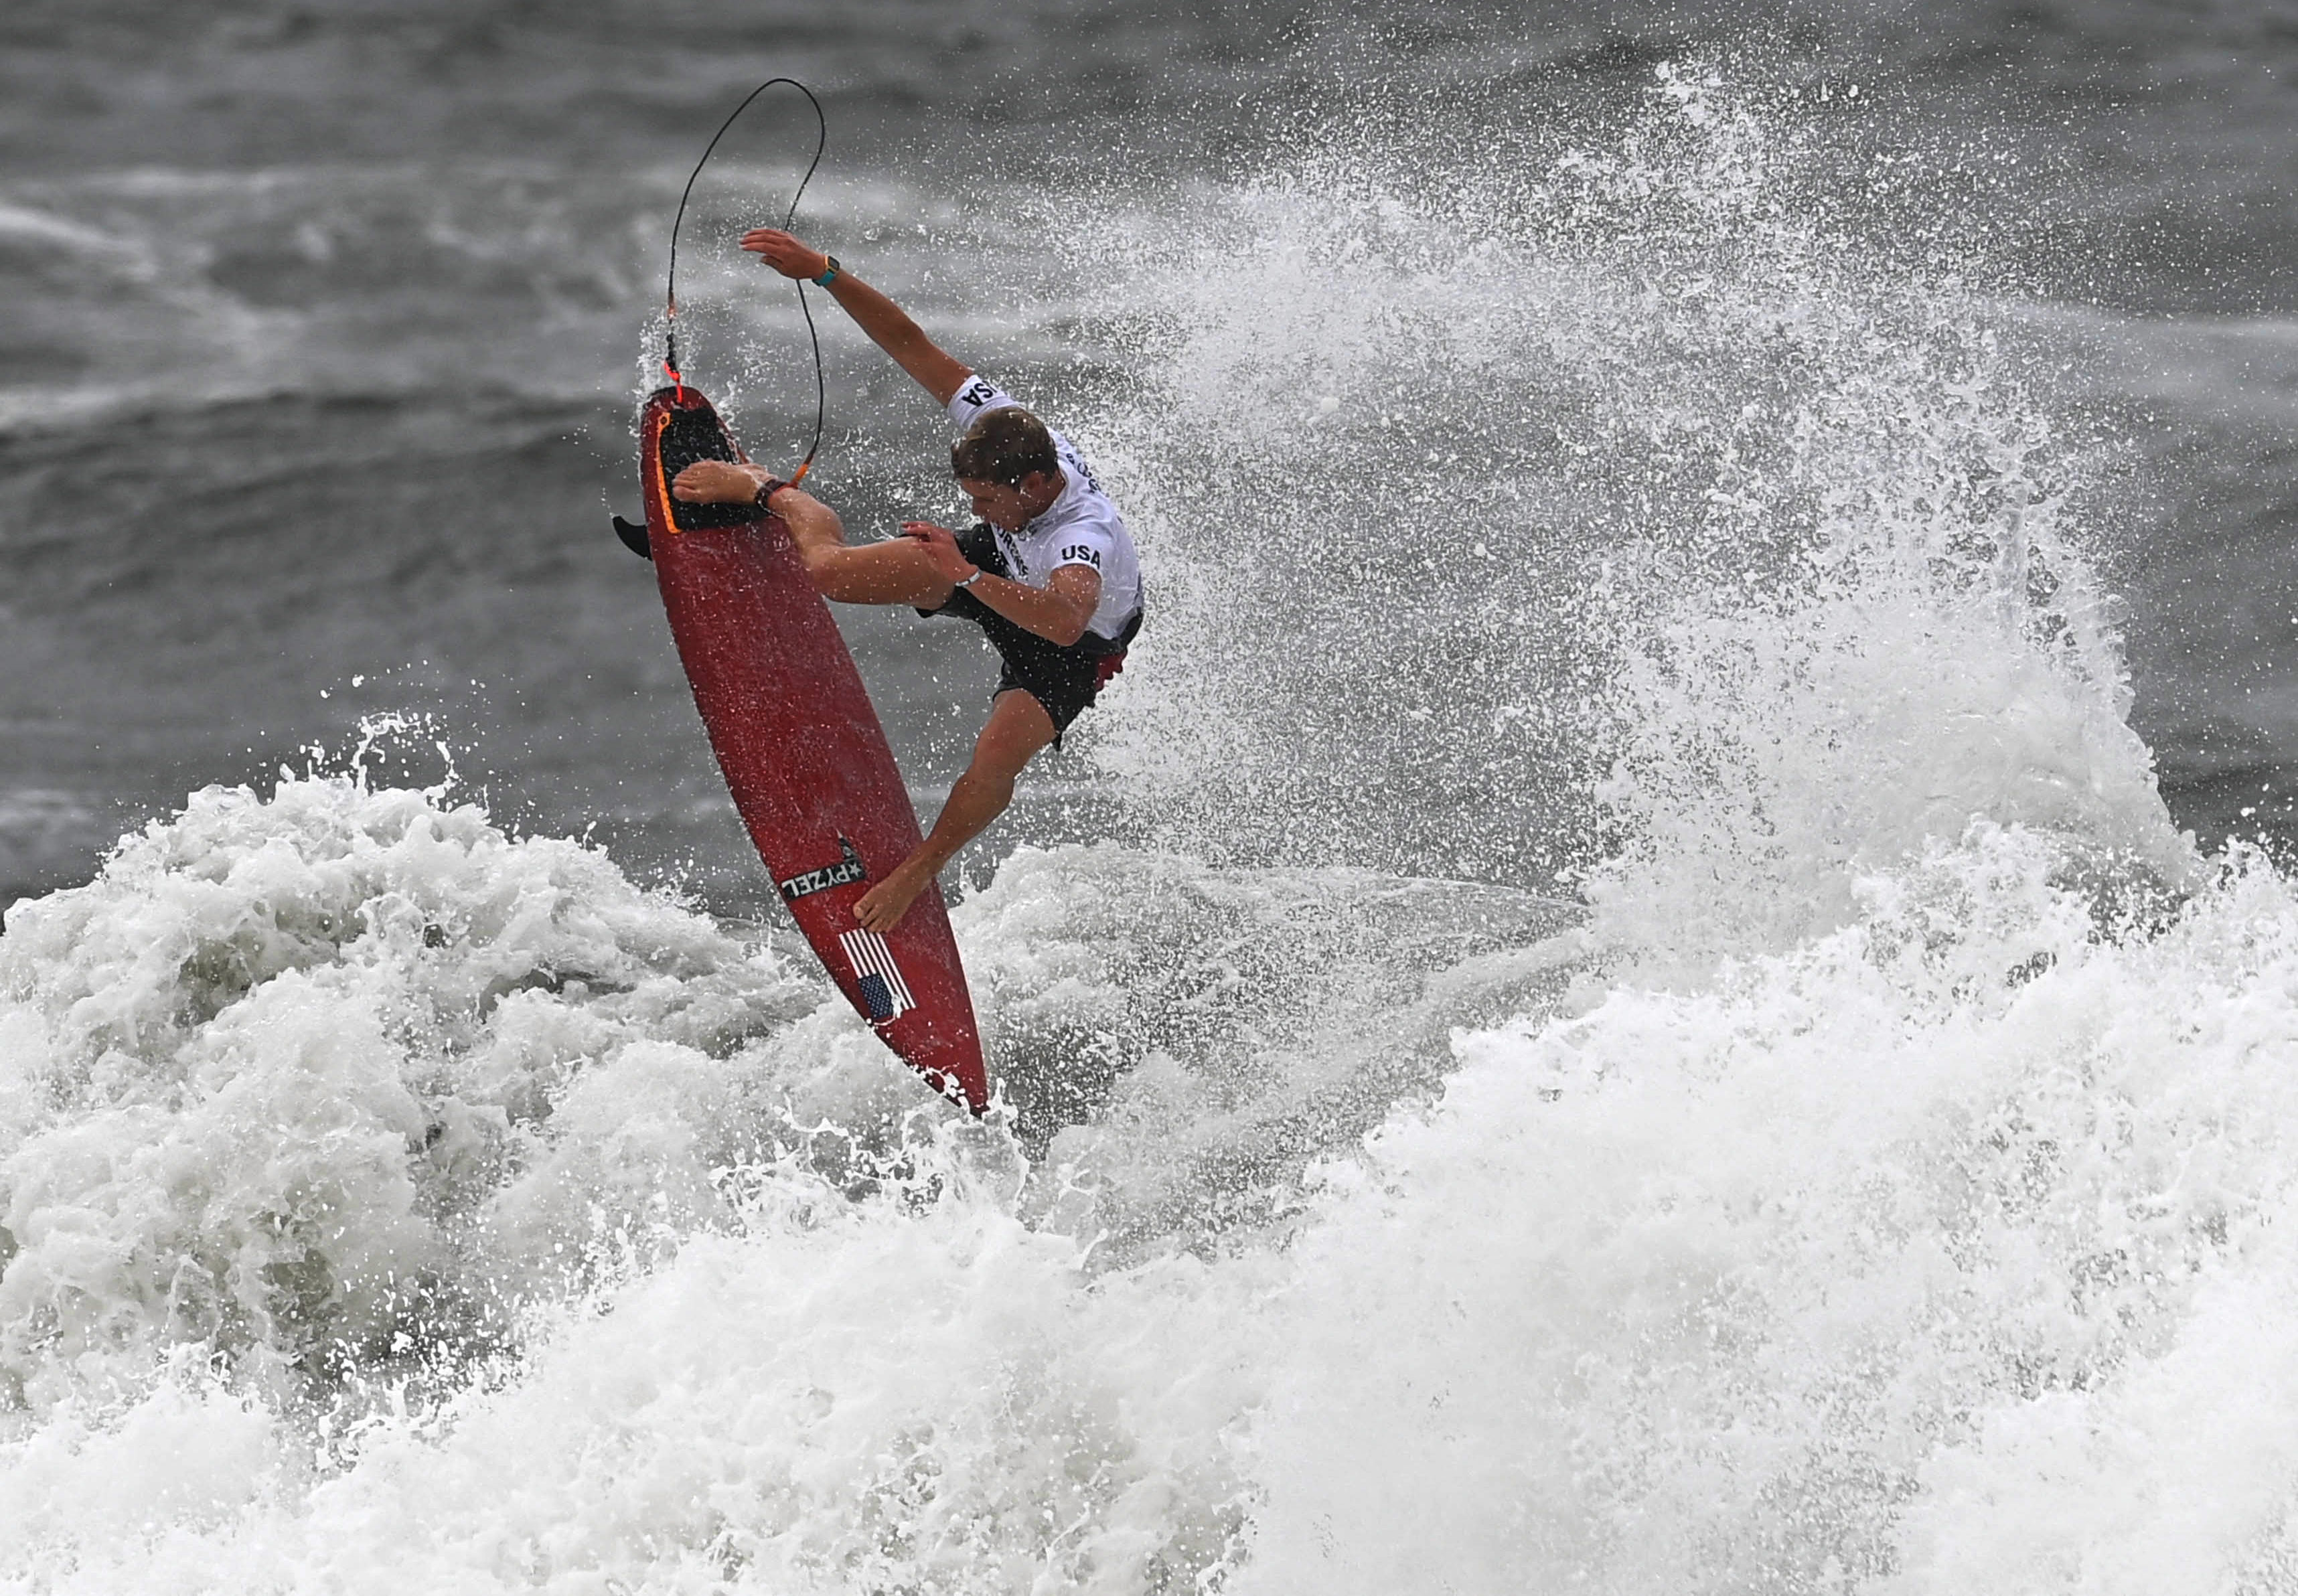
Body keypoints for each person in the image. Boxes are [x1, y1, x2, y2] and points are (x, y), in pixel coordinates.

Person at [670, 228, 1144, 935]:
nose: (977, 510)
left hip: (1071, 644)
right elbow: (912, 343)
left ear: (1039, 483)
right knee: (828, 571)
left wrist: (966, 571)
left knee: (994, 759)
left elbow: (1065, 620)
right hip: (989, 569)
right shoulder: (1001, 427)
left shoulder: (1084, 536)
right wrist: (824, 272)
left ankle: (919, 870)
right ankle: (768, 490)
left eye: (988, 501)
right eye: (973, 499)